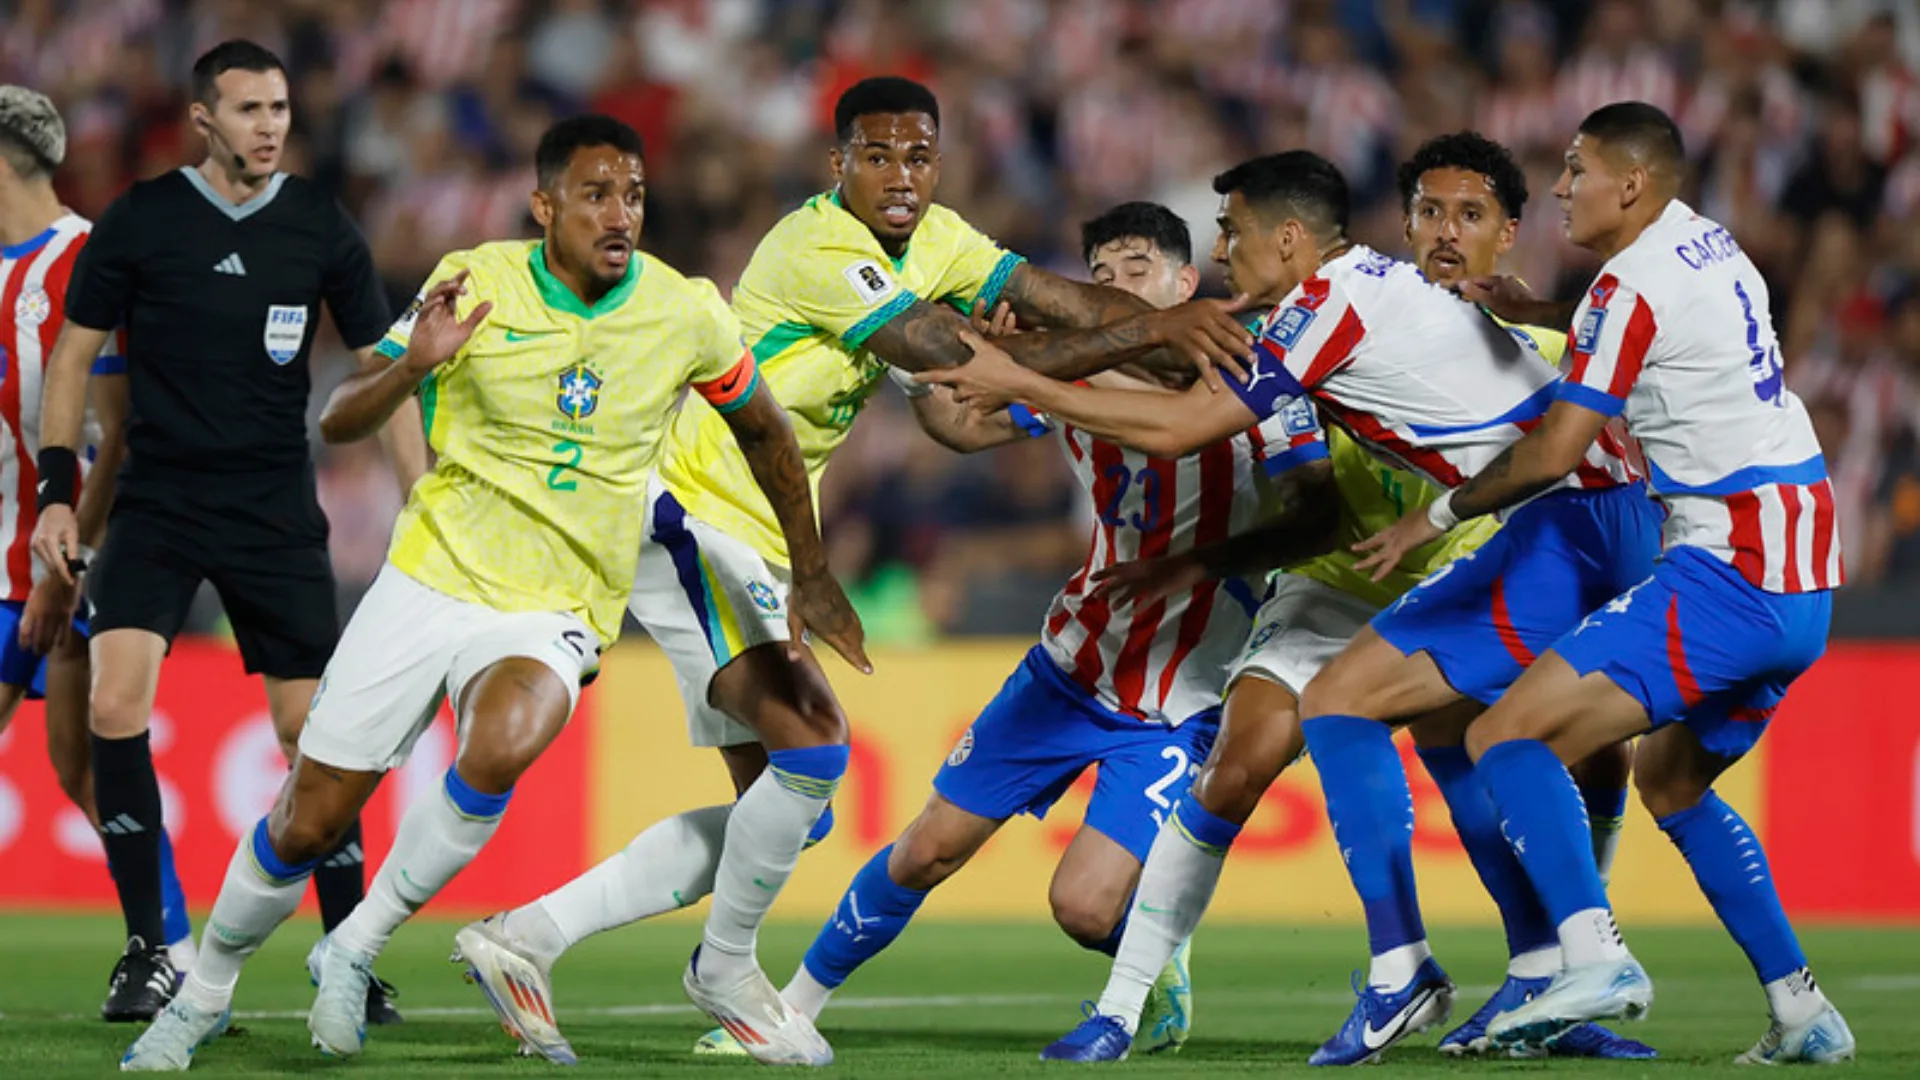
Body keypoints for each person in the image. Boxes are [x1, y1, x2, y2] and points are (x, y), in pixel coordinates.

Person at [447, 76, 1253, 1068]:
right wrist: (1150, 330)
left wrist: (1143, 330)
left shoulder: (946, 240)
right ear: (839, 165)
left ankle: (528, 937)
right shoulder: (819, 246)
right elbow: (955, 367)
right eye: (878, 156)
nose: (902, 176)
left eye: (919, 156)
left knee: (786, 807)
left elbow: (1045, 301)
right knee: (821, 749)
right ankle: (727, 970)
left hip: (763, 536)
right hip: (696, 506)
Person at [119, 112, 864, 1072]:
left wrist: (810, 569)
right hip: (432, 577)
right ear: (543, 206)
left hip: (555, 604)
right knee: (311, 817)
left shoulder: (684, 310)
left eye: (633, 194)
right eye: (595, 194)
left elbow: (764, 428)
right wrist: (414, 366)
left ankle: (355, 944)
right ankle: (207, 991)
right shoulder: (476, 280)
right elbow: (343, 414)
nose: (620, 214)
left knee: (506, 740)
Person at [922, 148, 1654, 1066]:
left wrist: (1018, 378)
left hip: (1546, 528)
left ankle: (1506, 962)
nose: (1222, 246)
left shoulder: (1327, 309)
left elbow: (1190, 423)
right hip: (1431, 556)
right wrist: (1022, 365)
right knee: (1380, 741)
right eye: (1428, 212)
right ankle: (1136, 1003)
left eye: (1232, 230)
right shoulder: (1347, 299)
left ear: (1291, 238)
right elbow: (1165, 380)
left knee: (1486, 738)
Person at [1364, 102, 1854, 1064]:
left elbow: (1554, 453)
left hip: (1732, 566)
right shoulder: (1707, 247)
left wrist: (1434, 515)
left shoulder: (1630, 285)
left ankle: (1593, 957)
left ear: (1630, 184)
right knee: (1673, 781)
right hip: (1804, 574)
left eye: (1577, 169)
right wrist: (1535, 312)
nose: (1559, 188)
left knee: (1505, 731)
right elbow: (1635, 337)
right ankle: (1803, 1011)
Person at [30, 41, 424, 1025]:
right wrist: (54, 491)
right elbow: (73, 361)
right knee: (115, 709)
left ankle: (345, 954)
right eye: (248, 108)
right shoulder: (144, 221)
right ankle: (147, 951)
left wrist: (417, 494)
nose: (270, 125)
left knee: (313, 736)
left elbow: (385, 367)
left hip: (273, 514)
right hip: (158, 506)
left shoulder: (316, 225)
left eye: (280, 107)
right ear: (202, 120)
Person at [0, 84, 198, 1015]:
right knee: (80, 768)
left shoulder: (84, 262)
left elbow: (116, 430)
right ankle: (175, 952)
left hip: (54, 559)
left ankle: (170, 951)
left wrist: (69, 555)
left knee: (89, 762)